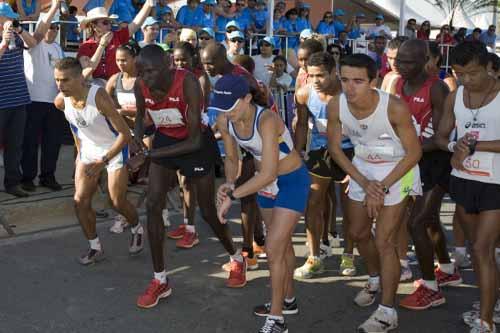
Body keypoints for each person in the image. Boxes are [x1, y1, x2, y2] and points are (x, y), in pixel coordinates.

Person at [132, 45, 246, 309]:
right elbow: (140, 116)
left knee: (207, 211)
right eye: (141, 72)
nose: (145, 78)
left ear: (167, 66)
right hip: (165, 140)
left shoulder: (188, 82)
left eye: (149, 72)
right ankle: (160, 280)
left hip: (195, 145)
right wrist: (138, 138)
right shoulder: (141, 85)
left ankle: (237, 257)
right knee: (152, 204)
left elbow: (195, 140)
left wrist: (150, 156)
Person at [327, 54, 422, 332]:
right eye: (344, 80)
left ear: (374, 81)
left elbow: (414, 153)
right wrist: (366, 183)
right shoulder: (337, 105)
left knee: (384, 240)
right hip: (363, 169)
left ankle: (387, 311)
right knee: (357, 233)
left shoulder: (394, 108)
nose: (350, 87)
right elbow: (335, 149)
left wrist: (380, 187)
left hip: (399, 169)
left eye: (358, 81)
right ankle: (375, 277)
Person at [213, 74, 310, 333]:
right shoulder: (225, 120)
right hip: (264, 184)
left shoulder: (266, 119)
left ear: (246, 99)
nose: (226, 113)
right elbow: (232, 158)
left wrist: (233, 197)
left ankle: (276, 319)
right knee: (282, 245)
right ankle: (287, 300)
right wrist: (230, 183)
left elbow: (268, 172)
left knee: (273, 247)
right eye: (221, 108)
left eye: (231, 106)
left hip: (291, 181)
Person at [435, 41, 500, 333]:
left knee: (483, 249)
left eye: (473, 73)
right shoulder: (455, 96)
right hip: (464, 181)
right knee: (478, 251)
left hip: (496, 183)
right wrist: (454, 146)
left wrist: (472, 145)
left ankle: (486, 321)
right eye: (460, 73)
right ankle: (490, 302)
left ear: (489, 67)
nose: (466, 80)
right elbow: (440, 137)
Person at [393, 39, 462, 311]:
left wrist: (411, 150)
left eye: (408, 62)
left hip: (436, 162)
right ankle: (446, 268)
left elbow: (443, 136)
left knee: (416, 223)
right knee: (429, 219)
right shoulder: (398, 84)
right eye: (398, 60)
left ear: (425, 61)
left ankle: (431, 288)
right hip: (413, 161)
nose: (401, 66)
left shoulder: (436, 87)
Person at [53, 57, 142, 264]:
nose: (60, 85)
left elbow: (124, 135)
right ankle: (95, 246)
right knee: (80, 201)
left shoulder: (98, 97)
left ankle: (137, 227)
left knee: (116, 201)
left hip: (114, 148)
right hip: (88, 151)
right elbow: (75, 127)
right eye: (57, 80)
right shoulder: (60, 101)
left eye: (65, 80)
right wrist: (79, 156)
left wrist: (103, 161)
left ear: (79, 79)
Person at [201, 42, 268, 271]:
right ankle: (259, 240)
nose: (207, 67)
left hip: (260, 142)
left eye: (210, 63)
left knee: (247, 194)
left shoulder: (241, 77)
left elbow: (262, 108)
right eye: (203, 63)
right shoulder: (224, 79)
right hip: (245, 141)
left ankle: (248, 252)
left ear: (222, 59)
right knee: (248, 192)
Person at [0, 2, 54, 197]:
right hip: (1, 103)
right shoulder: (6, 40)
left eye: (10, 20)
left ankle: (13, 183)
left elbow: (33, 43)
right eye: (6, 19)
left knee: (15, 146)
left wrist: (20, 30)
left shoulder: (17, 35)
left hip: (19, 100)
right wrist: (4, 44)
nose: (9, 23)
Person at [22, 2, 67, 193]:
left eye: (57, 27)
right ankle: (27, 178)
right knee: (30, 141)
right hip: (34, 100)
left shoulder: (58, 48)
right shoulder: (34, 43)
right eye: (51, 26)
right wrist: (55, 5)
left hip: (55, 101)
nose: (54, 30)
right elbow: (39, 31)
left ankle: (48, 176)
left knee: (52, 142)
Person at [105, 41, 143, 233]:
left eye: (124, 60)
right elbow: (103, 104)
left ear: (135, 59)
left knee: (151, 172)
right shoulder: (114, 79)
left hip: (145, 133)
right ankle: (123, 214)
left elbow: (150, 111)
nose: (120, 63)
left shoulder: (144, 80)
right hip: (124, 135)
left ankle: (161, 210)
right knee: (122, 175)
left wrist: (126, 112)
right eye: (117, 60)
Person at [77, 2, 154, 81]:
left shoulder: (117, 36)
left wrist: (148, 4)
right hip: (96, 86)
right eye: (105, 23)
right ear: (94, 26)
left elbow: (136, 24)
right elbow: (87, 71)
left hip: (116, 83)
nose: (109, 26)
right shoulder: (85, 46)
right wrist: (102, 45)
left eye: (110, 23)